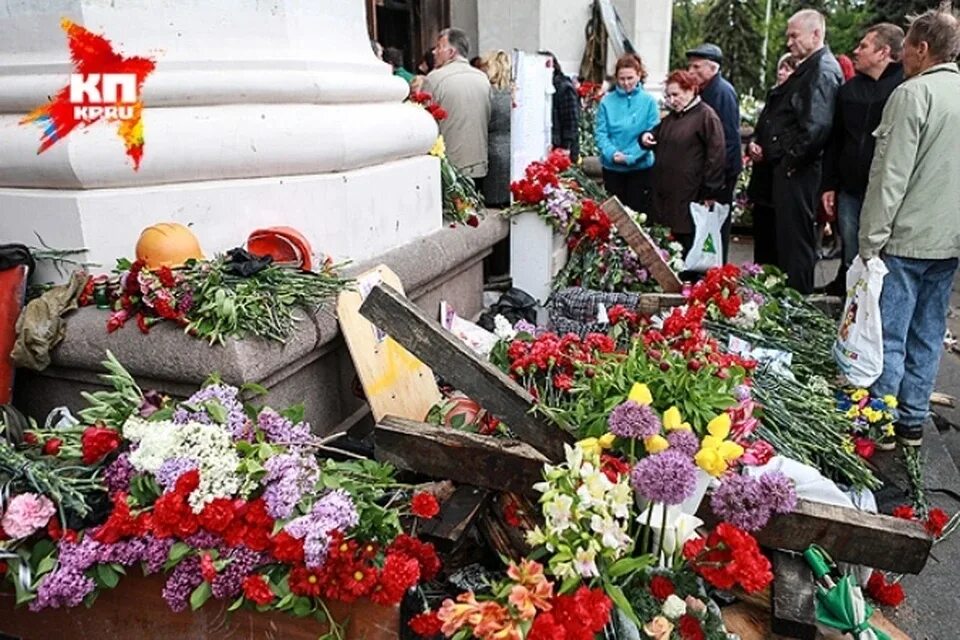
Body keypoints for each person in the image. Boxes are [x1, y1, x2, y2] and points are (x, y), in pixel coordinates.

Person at [859, 8, 960, 448]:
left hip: (906, 237)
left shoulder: (912, 94)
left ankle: (882, 420)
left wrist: (870, 242)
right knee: (929, 331)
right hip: (949, 239)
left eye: (906, 49)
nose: (901, 57)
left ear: (922, 48)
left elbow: (890, 177)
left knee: (890, 334)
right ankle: (913, 420)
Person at [746, 10, 842, 293]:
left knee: (795, 247)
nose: (788, 43)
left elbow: (816, 127)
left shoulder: (822, 70)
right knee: (784, 243)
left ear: (815, 34)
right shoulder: (811, 67)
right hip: (792, 168)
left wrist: (788, 160)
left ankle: (795, 304)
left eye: (793, 35)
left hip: (800, 171)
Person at [820, 24, 905, 294]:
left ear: (884, 52)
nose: (856, 51)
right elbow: (836, 140)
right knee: (851, 252)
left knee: (882, 258)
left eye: (864, 46)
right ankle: (850, 308)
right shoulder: (849, 90)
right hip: (850, 189)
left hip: (886, 192)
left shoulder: (904, 88)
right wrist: (829, 185)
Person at [640, 69, 726, 257]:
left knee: (686, 243)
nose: (671, 100)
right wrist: (647, 137)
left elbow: (716, 155)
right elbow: (658, 132)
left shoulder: (706, 116)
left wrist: (710, 191)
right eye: (668, 96)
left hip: (689, 193)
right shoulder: (673, 117)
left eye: (676, 95)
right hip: (665, 195)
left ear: (690, 91)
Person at [686, 43, 742, 263]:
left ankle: (716, 273)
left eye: (696, 67)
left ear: (712, 67)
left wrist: (714, 183)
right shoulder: (706, 90)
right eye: (690, 67)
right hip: (709, 173)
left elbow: (726, 142)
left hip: (720, 176)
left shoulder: (722, 93)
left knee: (715, 227)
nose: (691, 72)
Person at [748, 54, 798, 266]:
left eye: (788, 69)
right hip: (762, 178)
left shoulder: (797, 100)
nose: (781, 73)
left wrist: (769, 151)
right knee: (762, 236)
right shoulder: (772, 97)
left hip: (781, 176)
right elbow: (761, 129)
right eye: (780, 68)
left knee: (778, 239)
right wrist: (753, 143)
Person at [423, 28, 492, 182]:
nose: (435, 52)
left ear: (452, 52)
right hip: (479, 162)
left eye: (439, 47)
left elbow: (425, 124)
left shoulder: (433, 79)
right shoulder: (483, 79)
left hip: (449, 166)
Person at [595, 53, 659, 214]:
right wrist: (612, 153)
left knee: (640, 216)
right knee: (614, 218)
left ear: (639, 75)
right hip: (613, 169)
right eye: (621, 79)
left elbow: (653, 133)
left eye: (630, 78)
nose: (626, 83)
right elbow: (601, 133)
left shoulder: (649, 102)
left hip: (641, 169)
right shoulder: (607, 102)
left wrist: (631, 157)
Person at [480, 50, 512, 207]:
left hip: (492, 152)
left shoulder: (488, 93)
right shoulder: (514, 93)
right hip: (513, 151)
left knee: (494, 205)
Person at [540, 51, 581, 162]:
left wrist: (566, 147)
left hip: (562, 149)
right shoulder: (547, 87)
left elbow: (571, 121)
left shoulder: (564, 88)